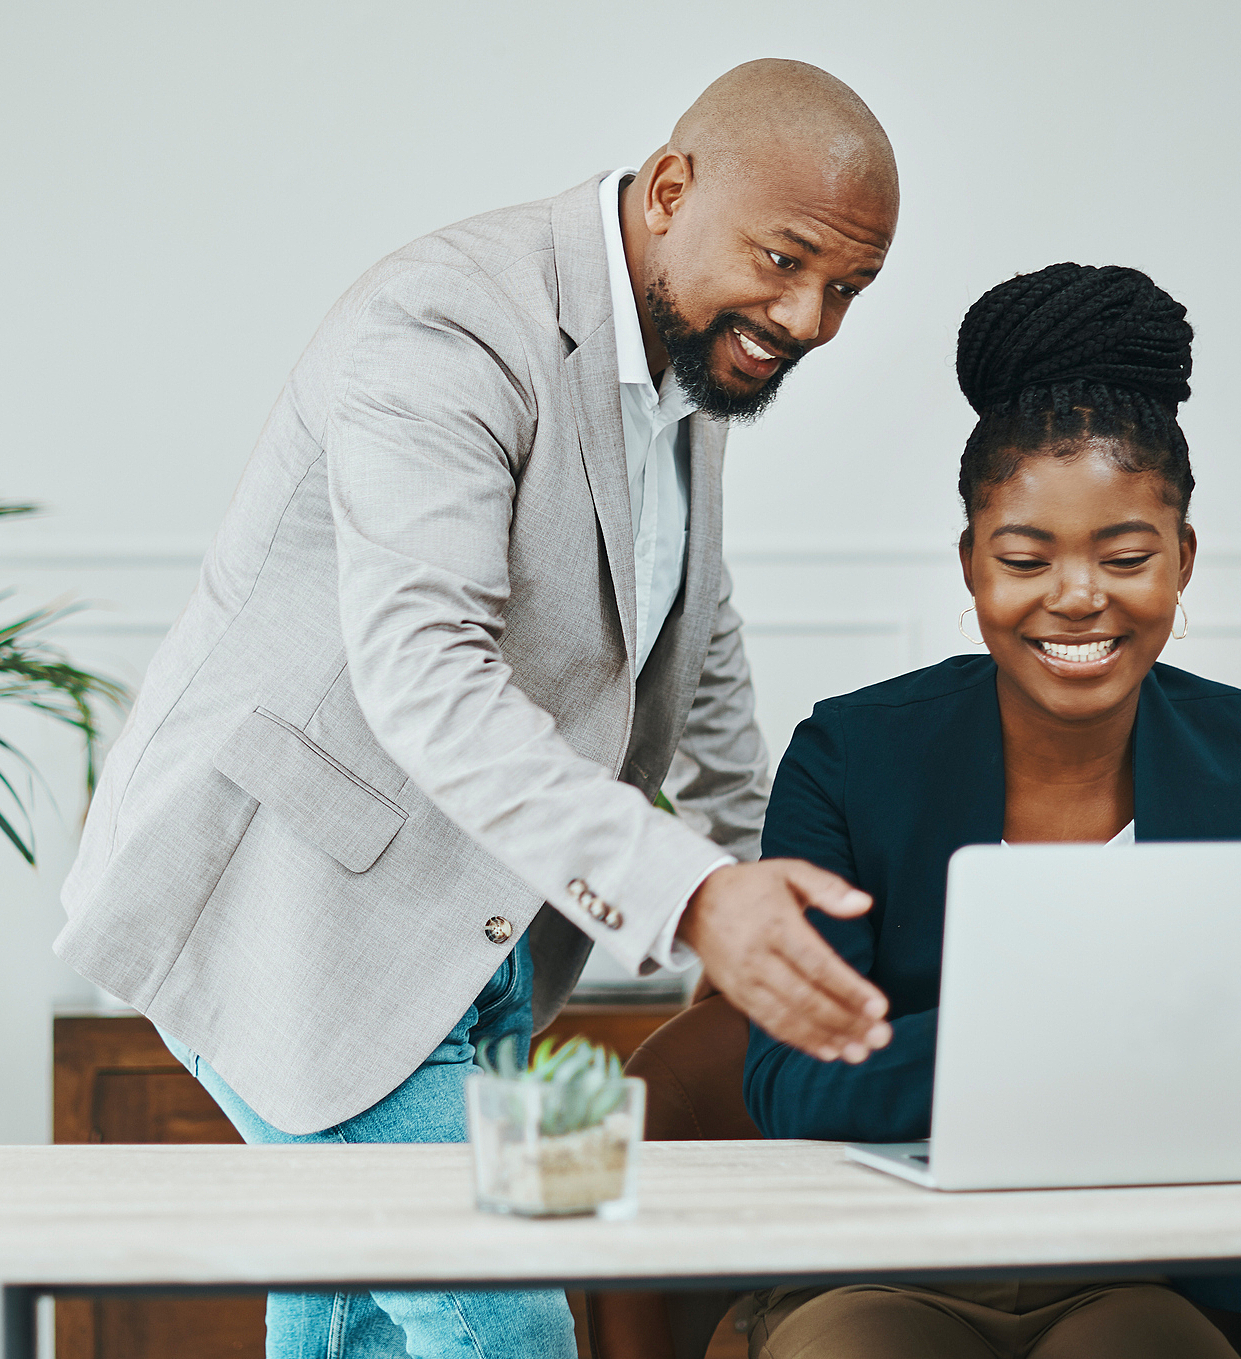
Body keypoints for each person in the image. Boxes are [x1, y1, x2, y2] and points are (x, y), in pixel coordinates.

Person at [55, 59, 899, 1359]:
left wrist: (757, 869)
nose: (806, 316)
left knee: (353, 1325)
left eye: (845, 289)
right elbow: (422, 672)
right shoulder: (449, 323)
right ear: (670, 188)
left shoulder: (691, 350)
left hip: (488, 940)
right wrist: (689, 896)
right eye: (786, 261)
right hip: (300, 918)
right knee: (498, 1314)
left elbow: (695, 630)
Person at [739, 263, 1241, 1359]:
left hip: (1139, 1269)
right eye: (1024, 558)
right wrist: (1055, 1042)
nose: (1075, 597)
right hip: (885, 1264)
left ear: (1180, 562)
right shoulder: (848, 754)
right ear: (970, 564)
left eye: (1124, 556)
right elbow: (784, 1078)